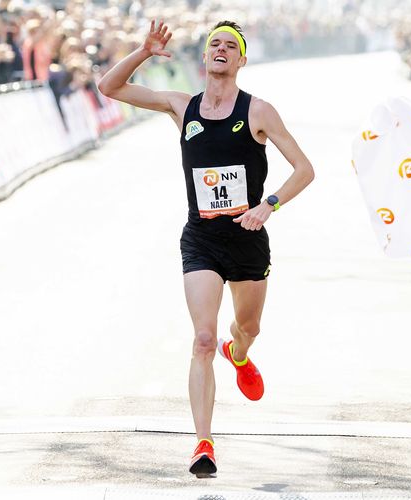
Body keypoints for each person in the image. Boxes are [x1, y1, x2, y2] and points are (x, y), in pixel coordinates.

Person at [98, 20, 314, 477]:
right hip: (201, 237)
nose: (220, 49)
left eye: (229, 45)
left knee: (248, 326)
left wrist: (267, 206)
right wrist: (143, 52)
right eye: (214, 43)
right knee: (201, 339)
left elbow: (304, 169)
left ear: (241, 60)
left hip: (248, 237)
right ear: (204, 57)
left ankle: (240, 352)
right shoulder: (182, 106)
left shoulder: (259, 111)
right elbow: (109, 86)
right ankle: (203, 443)